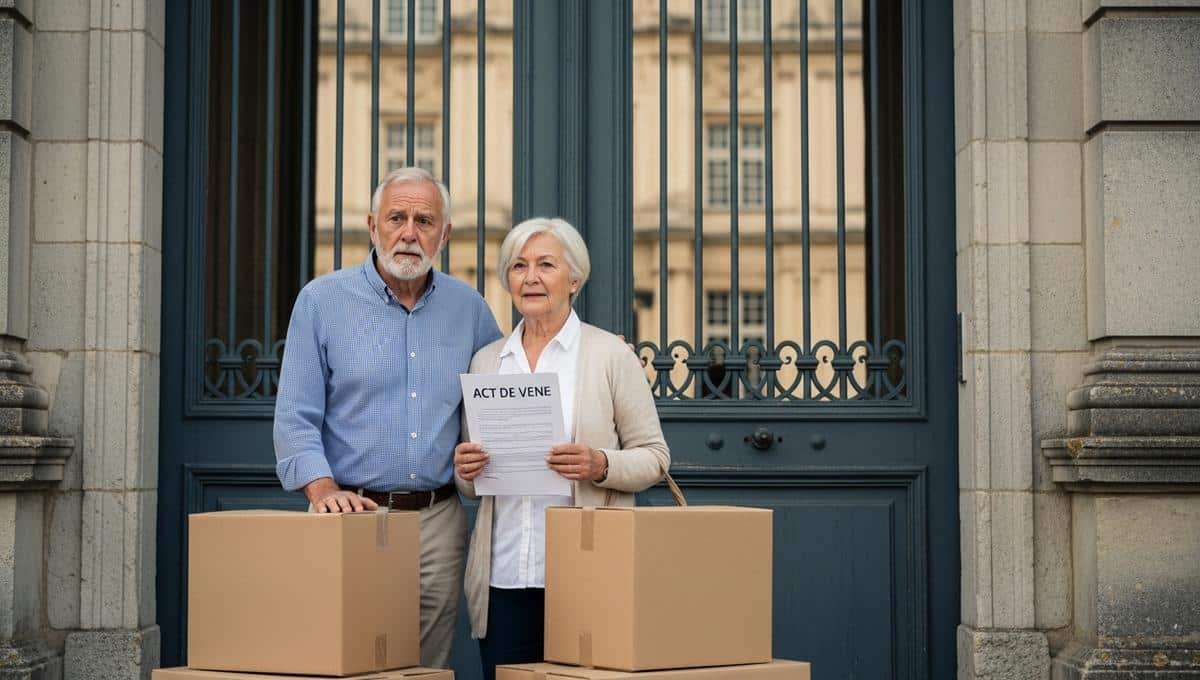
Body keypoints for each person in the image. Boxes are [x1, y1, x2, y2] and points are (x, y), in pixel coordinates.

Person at [273, 167, 502, 669]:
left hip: (439, 522)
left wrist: (592, 363)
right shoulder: (321, 302)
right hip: (351, 517)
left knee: (425, 664)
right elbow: (294, 417)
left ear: (445, 234)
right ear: (372, 224)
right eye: (397, 217)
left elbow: (508, 388)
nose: (409, 232)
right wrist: (322, 490)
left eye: (424, 220)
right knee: (344, 659)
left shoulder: (470, 309)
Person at [453, 217, 670, 680]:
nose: (530, 277)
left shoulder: (610, 355)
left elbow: (654, 456)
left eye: (545, 265)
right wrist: (465, 469)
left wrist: (599, 463)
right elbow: (471, 487)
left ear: (574, 280)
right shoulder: (487, 360)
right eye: (518, 266)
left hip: (588, 572)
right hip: (505, 577)